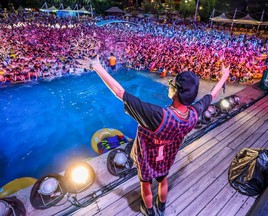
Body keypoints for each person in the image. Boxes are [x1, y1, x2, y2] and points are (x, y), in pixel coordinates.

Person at [79, 56, 230, 216]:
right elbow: (211, 96)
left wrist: (97, 65)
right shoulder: (193, 114)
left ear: (176, 91)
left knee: (145, 186)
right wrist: (225, 76)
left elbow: (119, 92)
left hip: (147, 161)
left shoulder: (156, 115)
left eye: (172, 83)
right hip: (167, 159)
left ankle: (149, 210)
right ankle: (162, 207)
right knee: (163, 181)